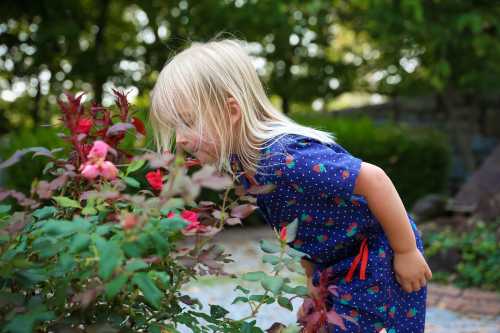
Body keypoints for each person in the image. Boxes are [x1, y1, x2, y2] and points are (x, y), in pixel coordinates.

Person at [150, 37, 432, 333]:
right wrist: (314, 285)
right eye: (176, 126)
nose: (180, 138)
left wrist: (406, 252)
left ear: (231, 111)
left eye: (188, 121)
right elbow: (292, 225)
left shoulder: (286, 159)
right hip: (337, 265)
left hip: (378, 257)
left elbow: (375, 180)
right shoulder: (244, 167)